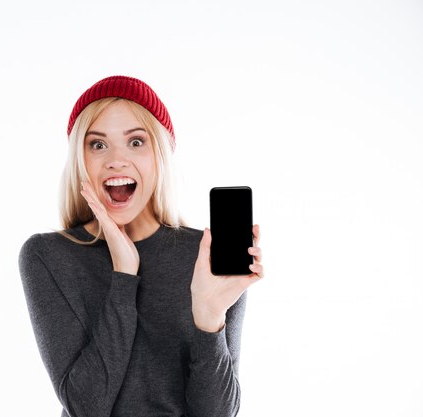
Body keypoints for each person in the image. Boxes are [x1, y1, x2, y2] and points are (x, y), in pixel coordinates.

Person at [18, 75, 265, 417]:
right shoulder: (48, 256)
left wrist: (209, 318)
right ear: (80, 160)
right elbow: (84, 407)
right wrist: (124, 275)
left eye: (136, 142)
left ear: (159, 158)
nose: (116, 160)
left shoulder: (206, 255)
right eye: (97, 144)